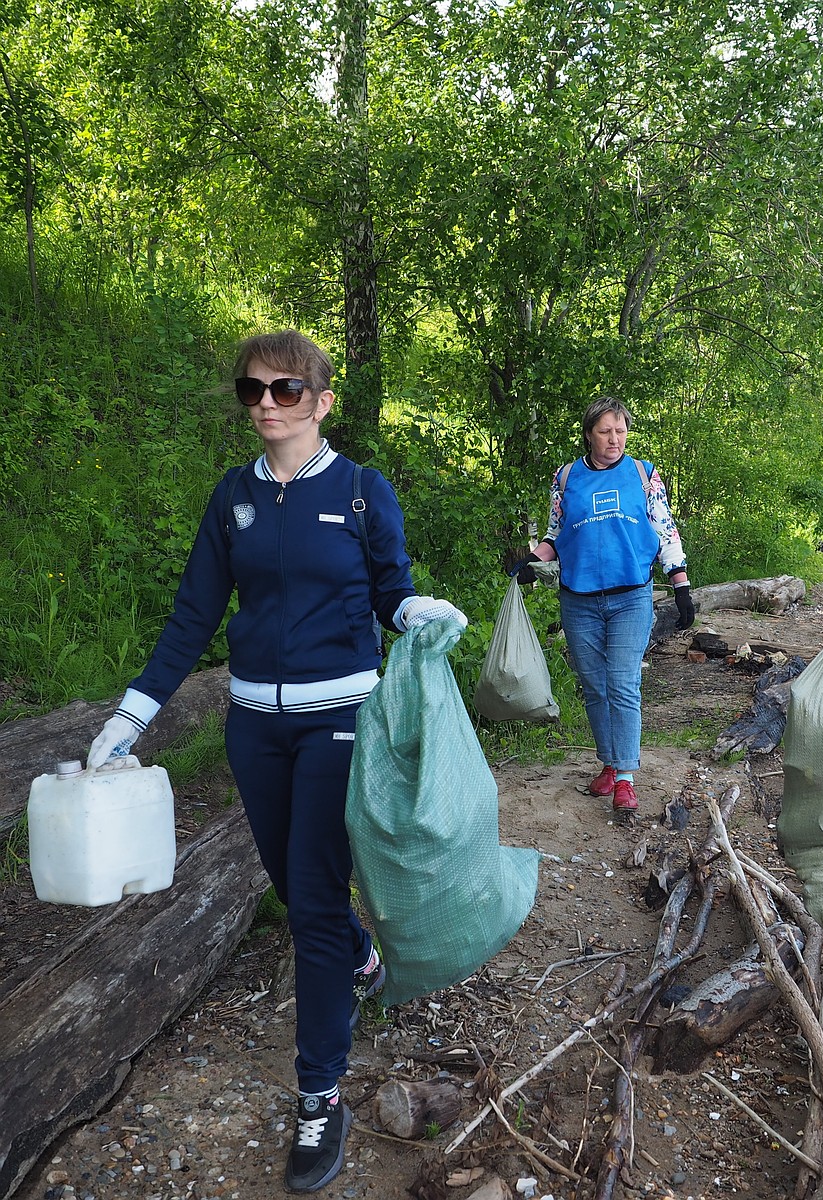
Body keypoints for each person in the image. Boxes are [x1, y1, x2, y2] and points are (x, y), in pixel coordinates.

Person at [87, 330, 466, 1194]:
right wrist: (130, 717)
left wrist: (415, 611)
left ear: (322, 402)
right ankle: (364, 961)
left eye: (287, 390)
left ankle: (319, 1096)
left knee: (313, 909)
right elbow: (193, 615)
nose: (266, 403)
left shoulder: (362, 492)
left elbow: (387, 588)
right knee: (301, 892)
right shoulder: (234, 500)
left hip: (341, 722)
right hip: (254, 729)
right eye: (253, 389)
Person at [515, 396, 695, 812]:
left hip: (632, 596)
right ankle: (609, 766)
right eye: (605, 431)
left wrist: (680, 584)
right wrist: (532, 561)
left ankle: (627, 778)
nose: (615, 438)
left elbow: (665, 531)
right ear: (588, 434)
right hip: (578, 600)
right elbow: (556, 534)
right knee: (595, 686)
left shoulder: (642, 474)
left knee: (622, 681)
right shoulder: (565, 478)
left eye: (621, 430)